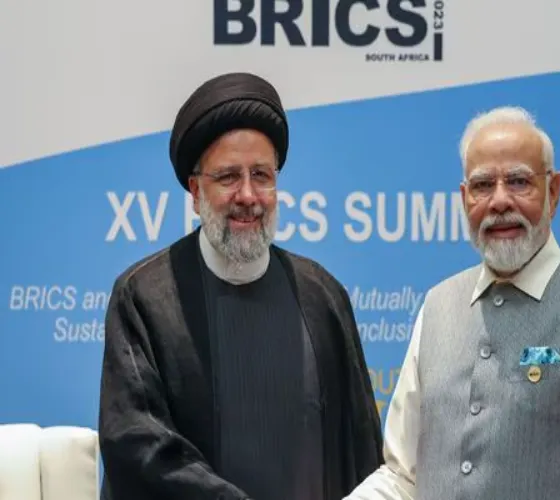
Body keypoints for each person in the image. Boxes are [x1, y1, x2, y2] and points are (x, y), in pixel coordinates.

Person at [345, 106, 560, 500]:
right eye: (483, 185)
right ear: (465, 199)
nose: (500, 201)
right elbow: (403, 477)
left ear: (553, 192)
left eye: (519, 182)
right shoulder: (437, 307)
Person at [98, 72, 383, 500]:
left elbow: (361, 447)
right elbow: (138, 445)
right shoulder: (143, 297)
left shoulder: (322, 295)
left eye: (262, 175)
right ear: (195, 191)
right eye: (229, 176)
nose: (248, 195)